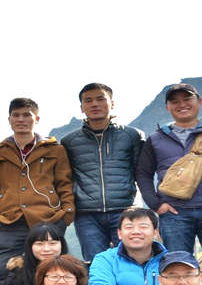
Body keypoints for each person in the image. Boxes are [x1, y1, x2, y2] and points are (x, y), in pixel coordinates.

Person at [136, 83, 202, 256]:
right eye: (174, 101)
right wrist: (156, 204)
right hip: (174, 212)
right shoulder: (156, 138)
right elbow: (143, 174)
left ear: (199, 101)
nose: (182, 104)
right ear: (167, 107)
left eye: (187, 99)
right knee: (178, 263)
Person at [0, 97, 75, 270]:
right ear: (9, 120)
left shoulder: (55, 150)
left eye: (26, 115)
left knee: (50, 269)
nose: (21, 119)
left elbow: (65, 184)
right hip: (10, 222)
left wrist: (65, 215)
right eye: (16, 115)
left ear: (36, 119)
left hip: (48, 219)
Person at [60, 83, 145, 261]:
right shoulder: (69, 142)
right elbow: (66, 178)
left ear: (112, 103)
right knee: (96, 263)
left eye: (100, 99)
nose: (94, 104)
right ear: (82, 107)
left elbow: (142, 174)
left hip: (125, 209)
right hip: (87, 214)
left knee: (132, 260)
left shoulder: (132, 136)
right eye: (88, 100)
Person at [88, 207, 177, 285]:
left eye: (143, 227)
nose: (136, 232)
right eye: (129, 227)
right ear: (119, 233)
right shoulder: (105, 260)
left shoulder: (172, 260)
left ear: (155, 233)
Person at [0, 223, 68, 285]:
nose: (46, 249)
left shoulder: (74, 270)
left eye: (52, 243)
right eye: (39, 244)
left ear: (62, 245)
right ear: (30, 246)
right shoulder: (18, 271)